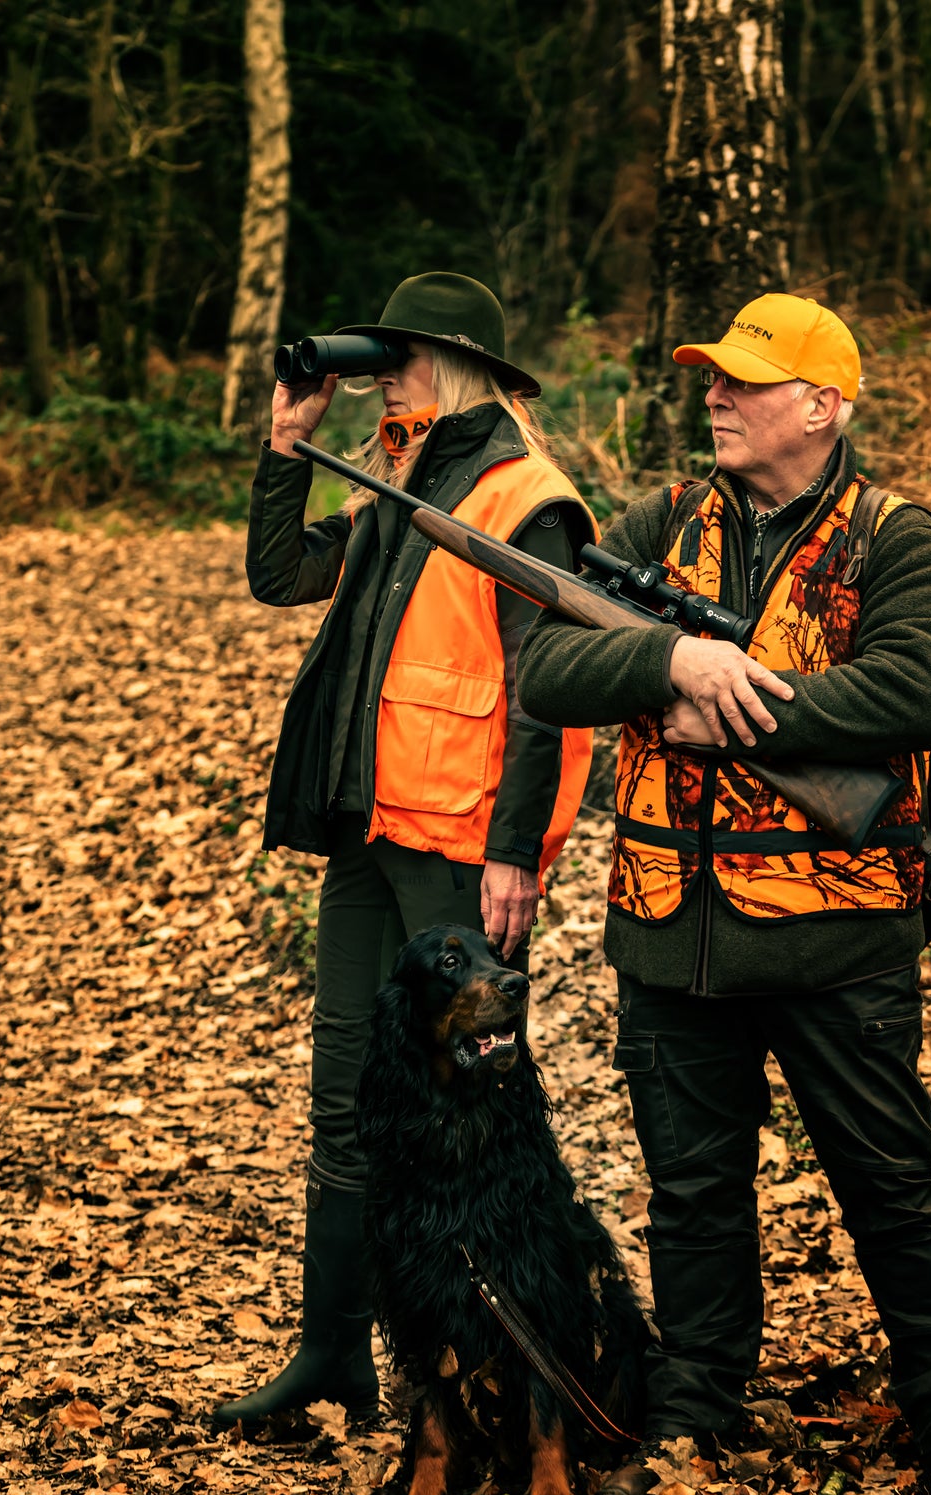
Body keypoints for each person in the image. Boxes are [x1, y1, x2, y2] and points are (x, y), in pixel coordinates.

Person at [515, 292, 931, 1495]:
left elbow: (920, 691)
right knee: (692, 1196)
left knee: (890, 1187)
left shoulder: (893, 537)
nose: (716, 395)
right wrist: (669, 659)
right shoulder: (661, 524)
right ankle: (693, 1417)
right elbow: (546, 666)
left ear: (823, 406)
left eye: (745, 379)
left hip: (836, 933)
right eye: (714, 376)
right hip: (672, 933)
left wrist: (745, 711)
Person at [213, 272, 595, 1435]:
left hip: (460, 848)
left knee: (467, 1124)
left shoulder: (529, 498)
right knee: (347, 1100)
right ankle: (333, 1355)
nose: (384, 374)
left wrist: (518, 852)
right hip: (369, 833)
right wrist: (288, 447)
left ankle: (503, 1375)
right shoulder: (394, 475)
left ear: (465, 364)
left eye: (404, 355)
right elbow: (282, 575)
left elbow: (549, 694)